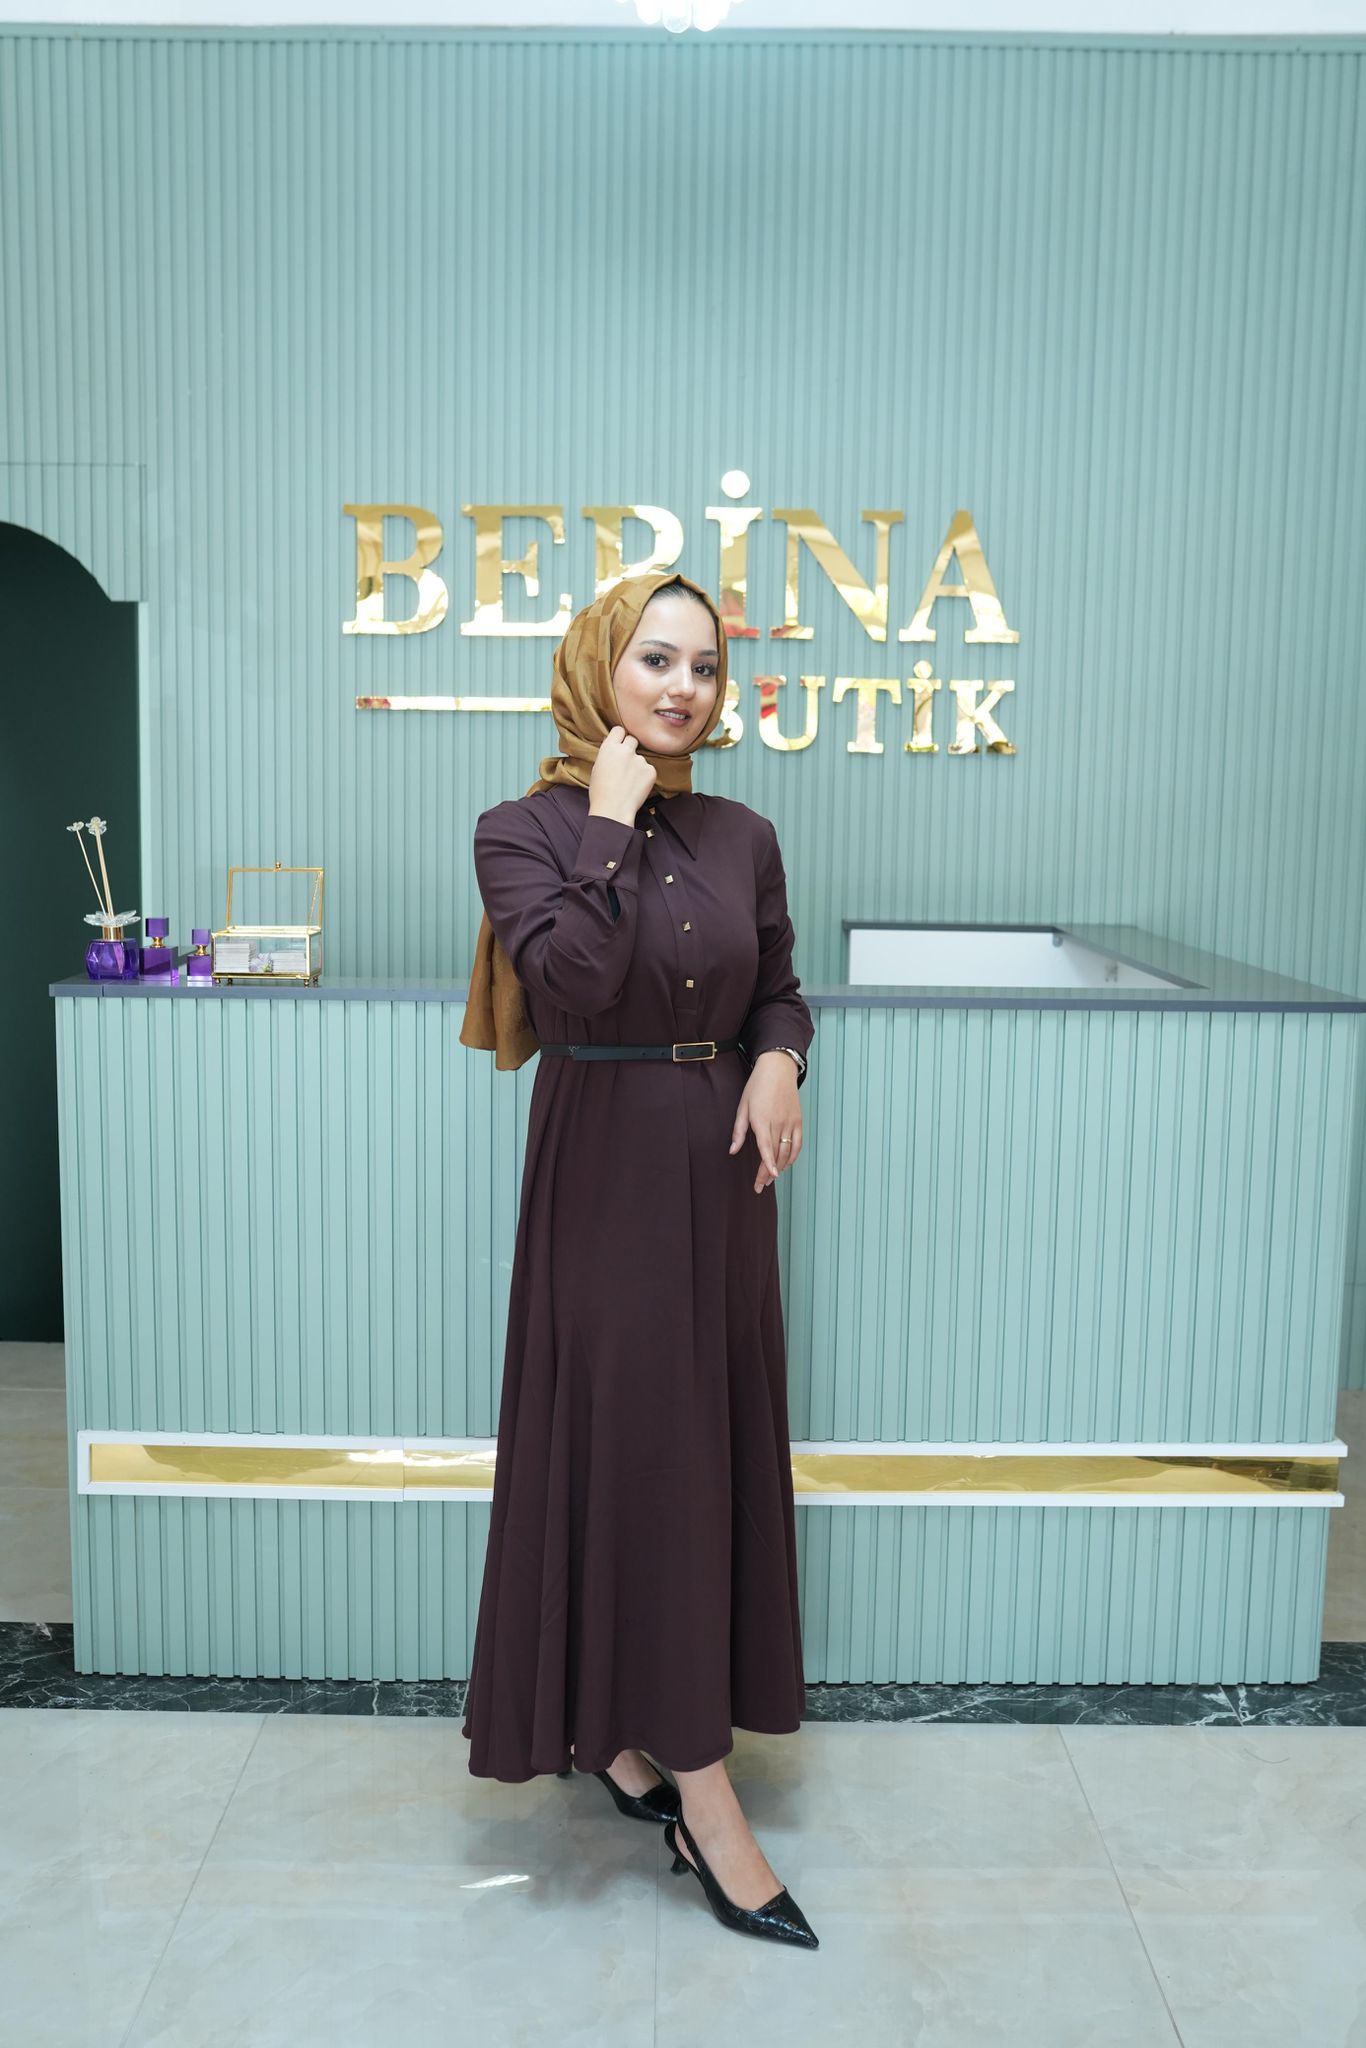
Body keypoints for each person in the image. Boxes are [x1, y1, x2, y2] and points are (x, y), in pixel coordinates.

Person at [458, 569, 818, 1950]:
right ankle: (703, 1801)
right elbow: (569, 983)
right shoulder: (521, 830)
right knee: (628, 1449)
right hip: (602, 1170)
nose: (683, 688)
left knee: (699, 1451)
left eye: (704, 668)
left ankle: (626, 1734)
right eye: (656, 659)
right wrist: (606, 825)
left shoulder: (743, 833)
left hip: (722, 1181)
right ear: (599, 667)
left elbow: (775, 983)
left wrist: (779, 1058)